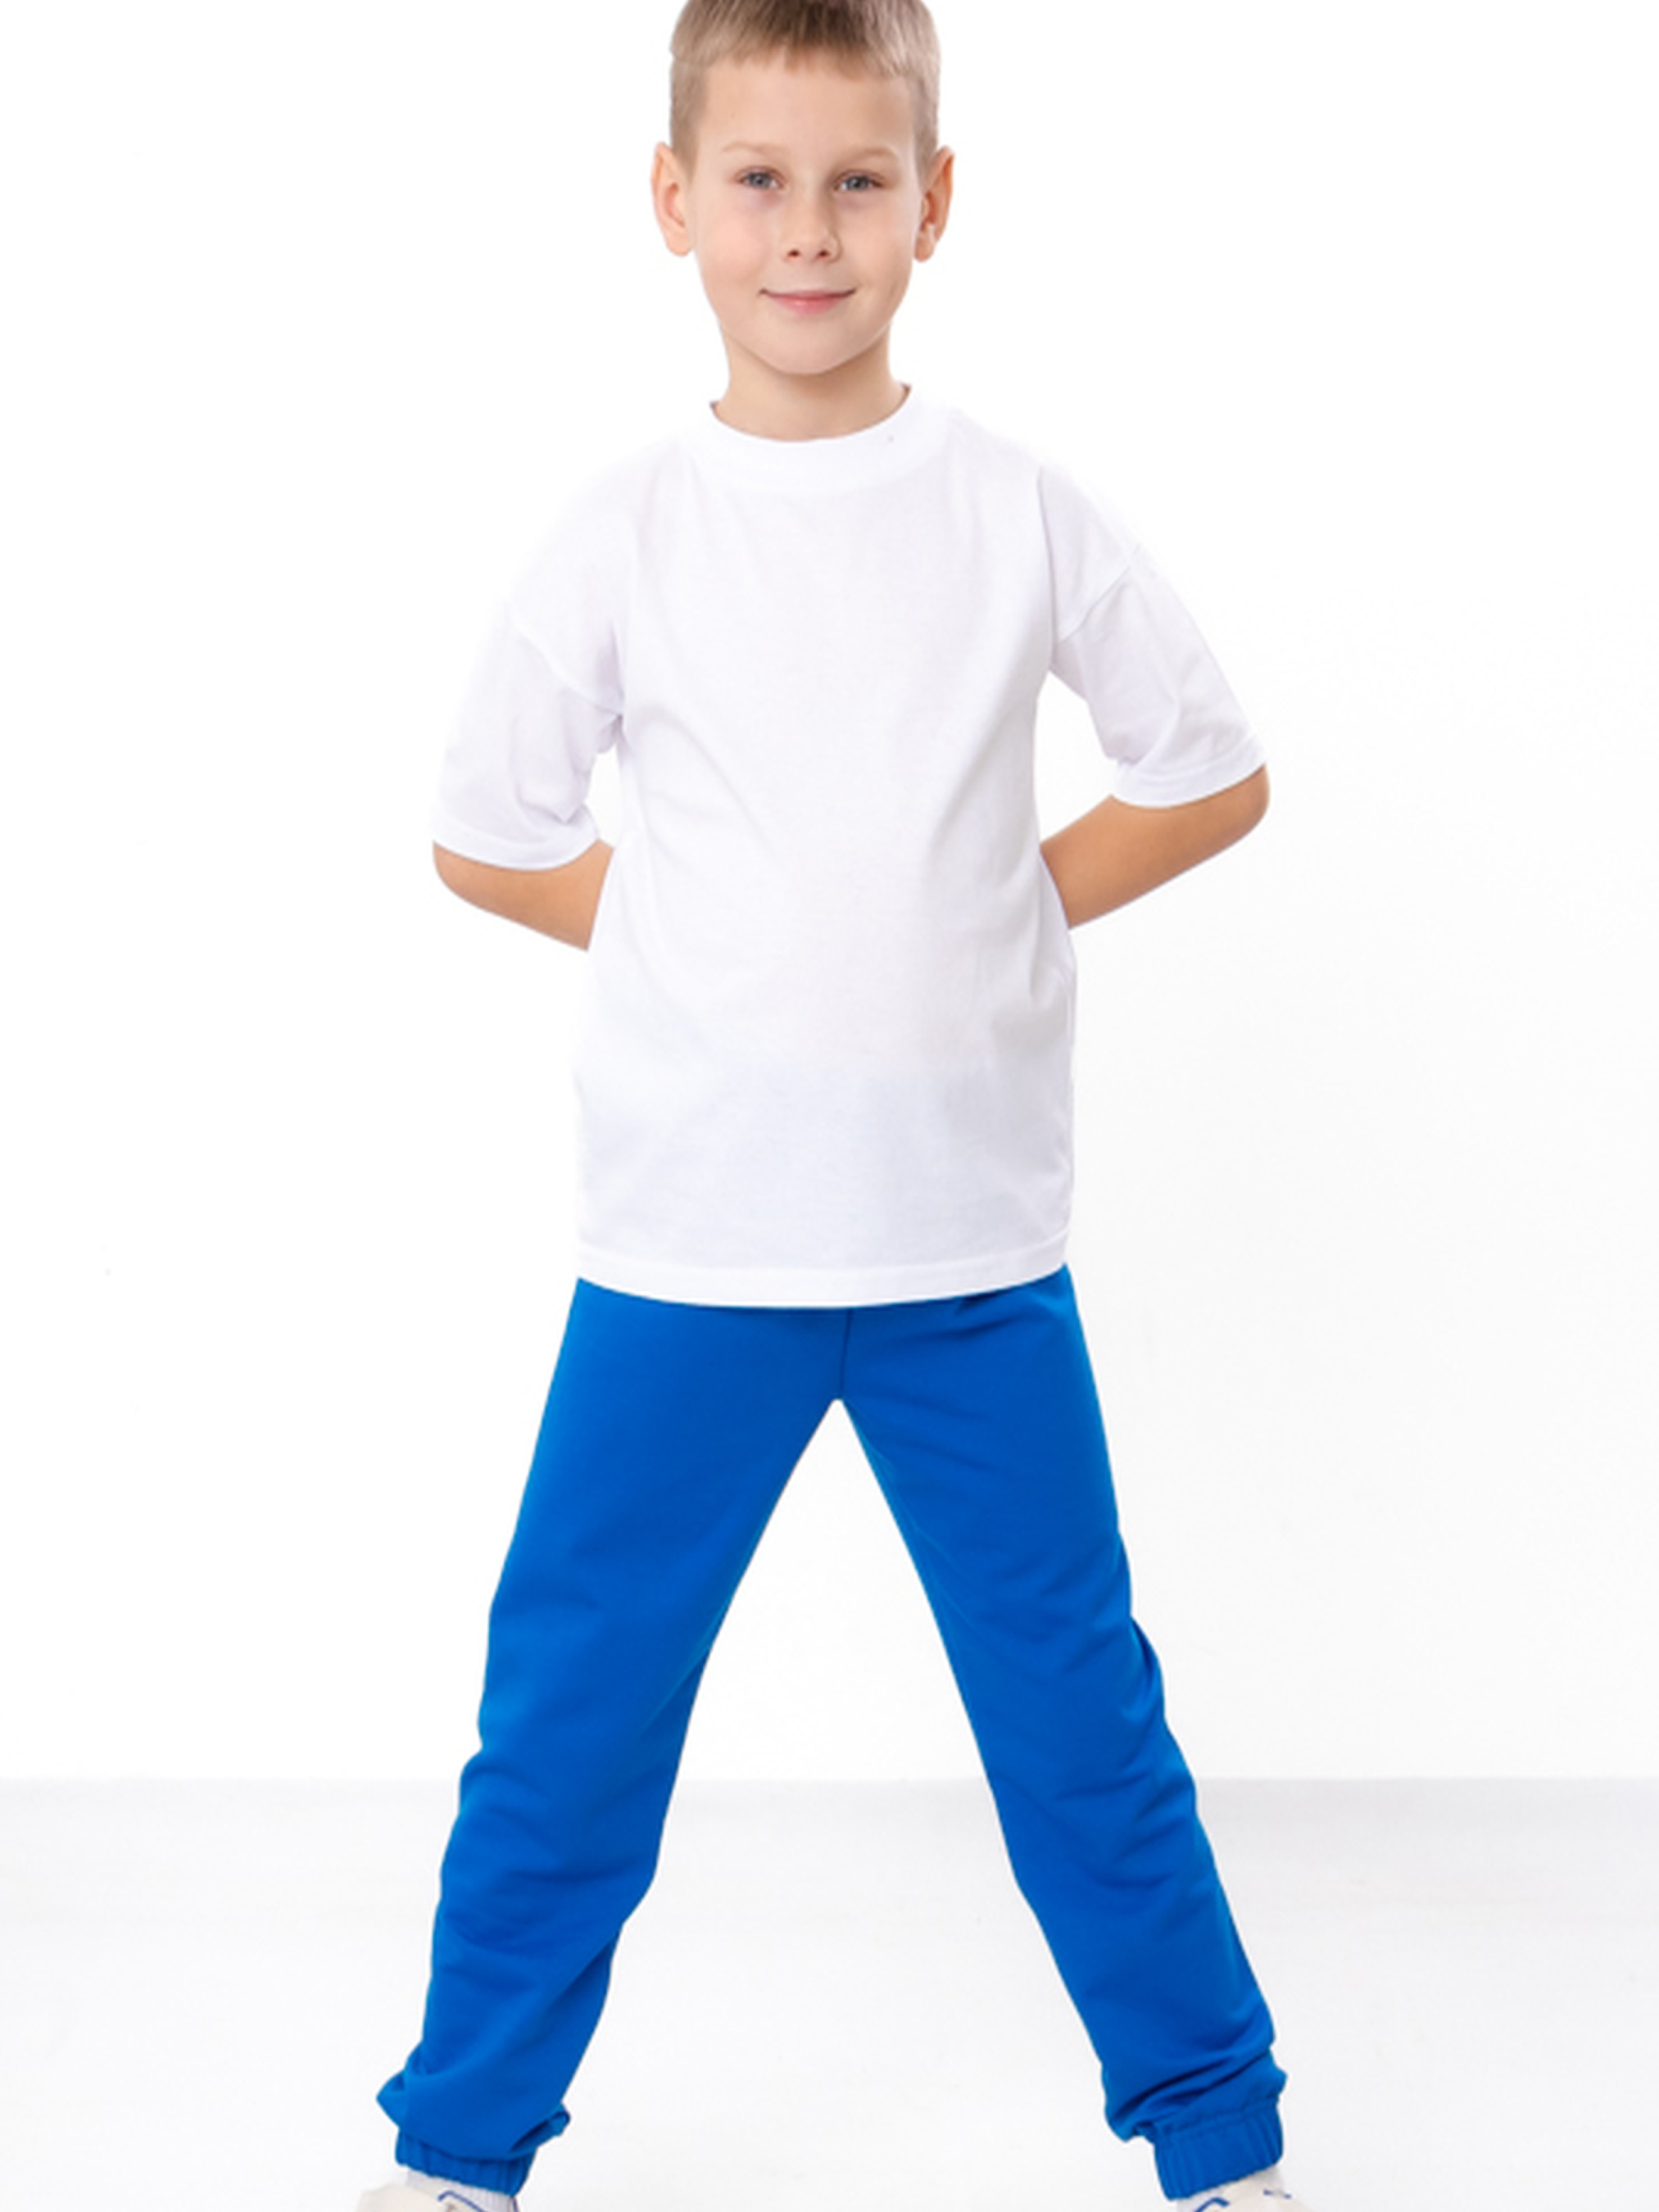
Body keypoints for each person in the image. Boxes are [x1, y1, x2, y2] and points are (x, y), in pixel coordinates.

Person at [361, 2, 1311, 2207]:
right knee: (569, 1722)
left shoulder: (1015, 508)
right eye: (761, 182)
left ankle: (1219, 2132)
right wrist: (695, 936)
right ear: (674, 201)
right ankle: (460, 2140)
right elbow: (487, 834)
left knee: (1078, 1721)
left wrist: (1007, 902)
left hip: (967, 1258)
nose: (809, 231)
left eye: (858, 182)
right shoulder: (626, 531)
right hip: (688, 1260)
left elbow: (1208, 770)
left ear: (935, 204)